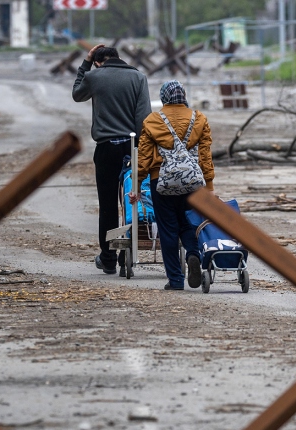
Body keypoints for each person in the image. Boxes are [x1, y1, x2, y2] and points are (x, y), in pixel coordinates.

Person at [72, 44, 152, 276]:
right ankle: (127, 250)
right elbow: (143, 117)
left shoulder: (95, 76)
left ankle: (108, 258)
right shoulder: (138, 77)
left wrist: (86, 63)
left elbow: (77, 94)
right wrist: (142, 151)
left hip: (106, 149)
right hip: (132, 149)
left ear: (98, 61)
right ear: (118, 58)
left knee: (108, 206)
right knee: (131, 201)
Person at [131, 80, 214, 290]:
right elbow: (205, 156)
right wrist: (209, 187)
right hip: (192, 182)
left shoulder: (153, 121)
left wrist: (137, 185)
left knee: (168, 229)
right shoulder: (199, 119)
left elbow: (144, 158)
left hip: (162, 181)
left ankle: (176, 280)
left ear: (163, 98)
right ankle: (193, 255)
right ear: (184, 96)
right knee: (187, 224)